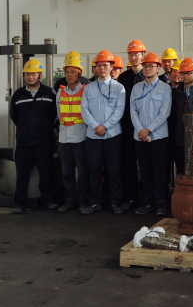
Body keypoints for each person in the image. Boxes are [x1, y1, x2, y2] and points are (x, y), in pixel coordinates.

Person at [10, 58, 59, 214]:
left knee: (46, 173)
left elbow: (55, 115)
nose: (30, 77)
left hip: (44, 141)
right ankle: (19, 203)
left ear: (40, 75)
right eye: (27, 74)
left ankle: (48, 200)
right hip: (24, 142)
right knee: (22, 175)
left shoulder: (50, 93)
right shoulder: (18, 95)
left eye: (33, 74)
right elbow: (14, 116)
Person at [81, 50, 127, 215]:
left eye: (105, 65)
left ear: (111, 67)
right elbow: (84, 110)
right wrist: (96, 126)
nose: (102, 68)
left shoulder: (119, 88)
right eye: (99, 65)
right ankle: (95, 202)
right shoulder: (89, 88)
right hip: (93, 136)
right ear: (95, 68)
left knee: (114, 170)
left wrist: (105, 126)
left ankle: (116, 202)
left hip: (112, 135)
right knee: (94, 171)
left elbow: (119, 111)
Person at [130, 52, 173, 216]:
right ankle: (147, 202)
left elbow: (164, 113)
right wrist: (141, 130)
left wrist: (148, 129)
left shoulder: (165, 88)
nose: (148, 69)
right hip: (139, 137)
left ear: (158, 68)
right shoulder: (136, 88)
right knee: (145, 171)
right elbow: (133, 111)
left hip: (158, 137)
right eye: (145, 66)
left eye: (151, 66)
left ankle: (161, 203)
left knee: (160, 171)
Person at [56, 53, 90, 214]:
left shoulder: (85, 91)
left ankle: (83, 201)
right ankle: (69, 200)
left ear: (79, 73)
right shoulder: (60, 92)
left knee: (83, 172)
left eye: (73, 72)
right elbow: (58, 114)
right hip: (64, 138)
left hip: (80, 137)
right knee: (67, 172)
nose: (69, 75)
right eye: (67, 72)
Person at [118, 39, 146, 209]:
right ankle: (130, 196)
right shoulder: (123, 78)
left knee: (146, 165)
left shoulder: (148, 76)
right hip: (128, 128)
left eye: (137, 54)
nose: (134, 58)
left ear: (143, 55)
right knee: (127, 164)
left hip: (145, 129)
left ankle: (146, 197)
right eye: (131, 54)